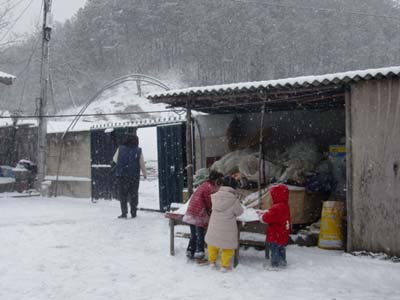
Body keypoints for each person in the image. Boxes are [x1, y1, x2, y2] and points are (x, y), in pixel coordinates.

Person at [205, 176, 244, 271]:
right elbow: (239, 212)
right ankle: (224, 265)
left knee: (212, 244)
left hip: (214, 226)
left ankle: (212, 262)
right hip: (227, 228)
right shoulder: (234, 199)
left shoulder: (215, 196)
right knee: (227, 247)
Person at [183, 170, 223, 260]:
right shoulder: (211, 187)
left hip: (191, 211)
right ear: (216, 180)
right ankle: (199, 253)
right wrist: (212, 210)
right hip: (199, 213)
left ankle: (190, 250)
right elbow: (209, 202)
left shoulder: (204, 185)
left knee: (194, 234)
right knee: (200, 234)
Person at [113, 134, 147, 219]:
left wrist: (122, 165)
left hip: (122, 176)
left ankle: (124, 213)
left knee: (123, 195)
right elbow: (142, 164)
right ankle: (133, 212)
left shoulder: (120, 148)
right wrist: (145, 174)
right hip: (134, 177)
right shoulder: (138, 150)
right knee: (134, 195)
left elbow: (115, 159)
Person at [257, 184, 291, 269]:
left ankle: (275, 264)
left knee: (274, 249)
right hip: (282, 233)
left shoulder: (277, 207)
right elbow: (275, 215)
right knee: (281, 248)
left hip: (275, 234)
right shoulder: (285, 205)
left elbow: (266, 218)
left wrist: (261, 216)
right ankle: (283, 261)